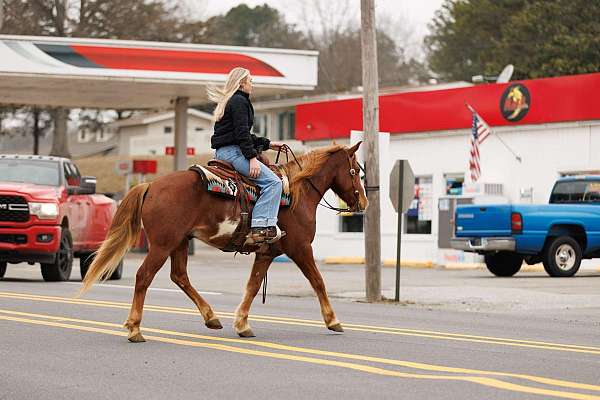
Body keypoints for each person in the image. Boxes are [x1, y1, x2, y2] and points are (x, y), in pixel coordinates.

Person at [208, 67, 286, 244]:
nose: (252, 84)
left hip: (223, 152)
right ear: (242, 82)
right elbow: (242, 134)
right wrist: (251, 158)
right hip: (234, 153)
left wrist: (268, 144)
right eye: (250, 80)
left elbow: (240, 134)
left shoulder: (231, 100)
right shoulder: (239, 101)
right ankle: (260, 227)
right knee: (274, 183)